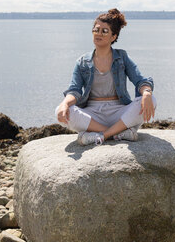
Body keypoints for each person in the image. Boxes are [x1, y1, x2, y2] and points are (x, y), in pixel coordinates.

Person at [55, 8, 156, 146]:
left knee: (152, 100)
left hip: (119, 111)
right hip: (93, 114)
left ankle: (102, 135)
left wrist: (146, 93)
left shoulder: (122, 57)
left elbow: (140, 80)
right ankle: (119, 133)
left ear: (113, 37)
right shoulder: (82, 62)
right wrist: (65, 104)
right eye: (96, 30)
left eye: (104, 31)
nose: (99, 34)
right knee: (61, 110)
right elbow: (75, 91)